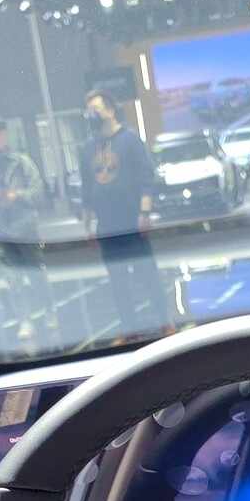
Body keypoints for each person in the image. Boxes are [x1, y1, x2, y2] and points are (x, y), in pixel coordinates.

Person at [79, 87, 170, 339]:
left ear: (110, 110)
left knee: (147, 275)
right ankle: (130, 330)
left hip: (132, 221)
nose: (91, 115)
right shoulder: (87, 148)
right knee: (118, 282)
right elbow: (87, 188)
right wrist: (87, 225)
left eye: (96, 109)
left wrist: (144, 212)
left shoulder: (130, 140)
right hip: (106, 226)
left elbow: (146, 179)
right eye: (88, 111)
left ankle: (165, 323)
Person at [0, 116, 53, 344]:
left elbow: (38, 191)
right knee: (12, 280)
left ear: (5, 134)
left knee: (37, 276)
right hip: (0, 232)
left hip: (26, 230)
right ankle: (24, 321)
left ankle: (49, 311)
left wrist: (17, 195)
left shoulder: (22, 162)